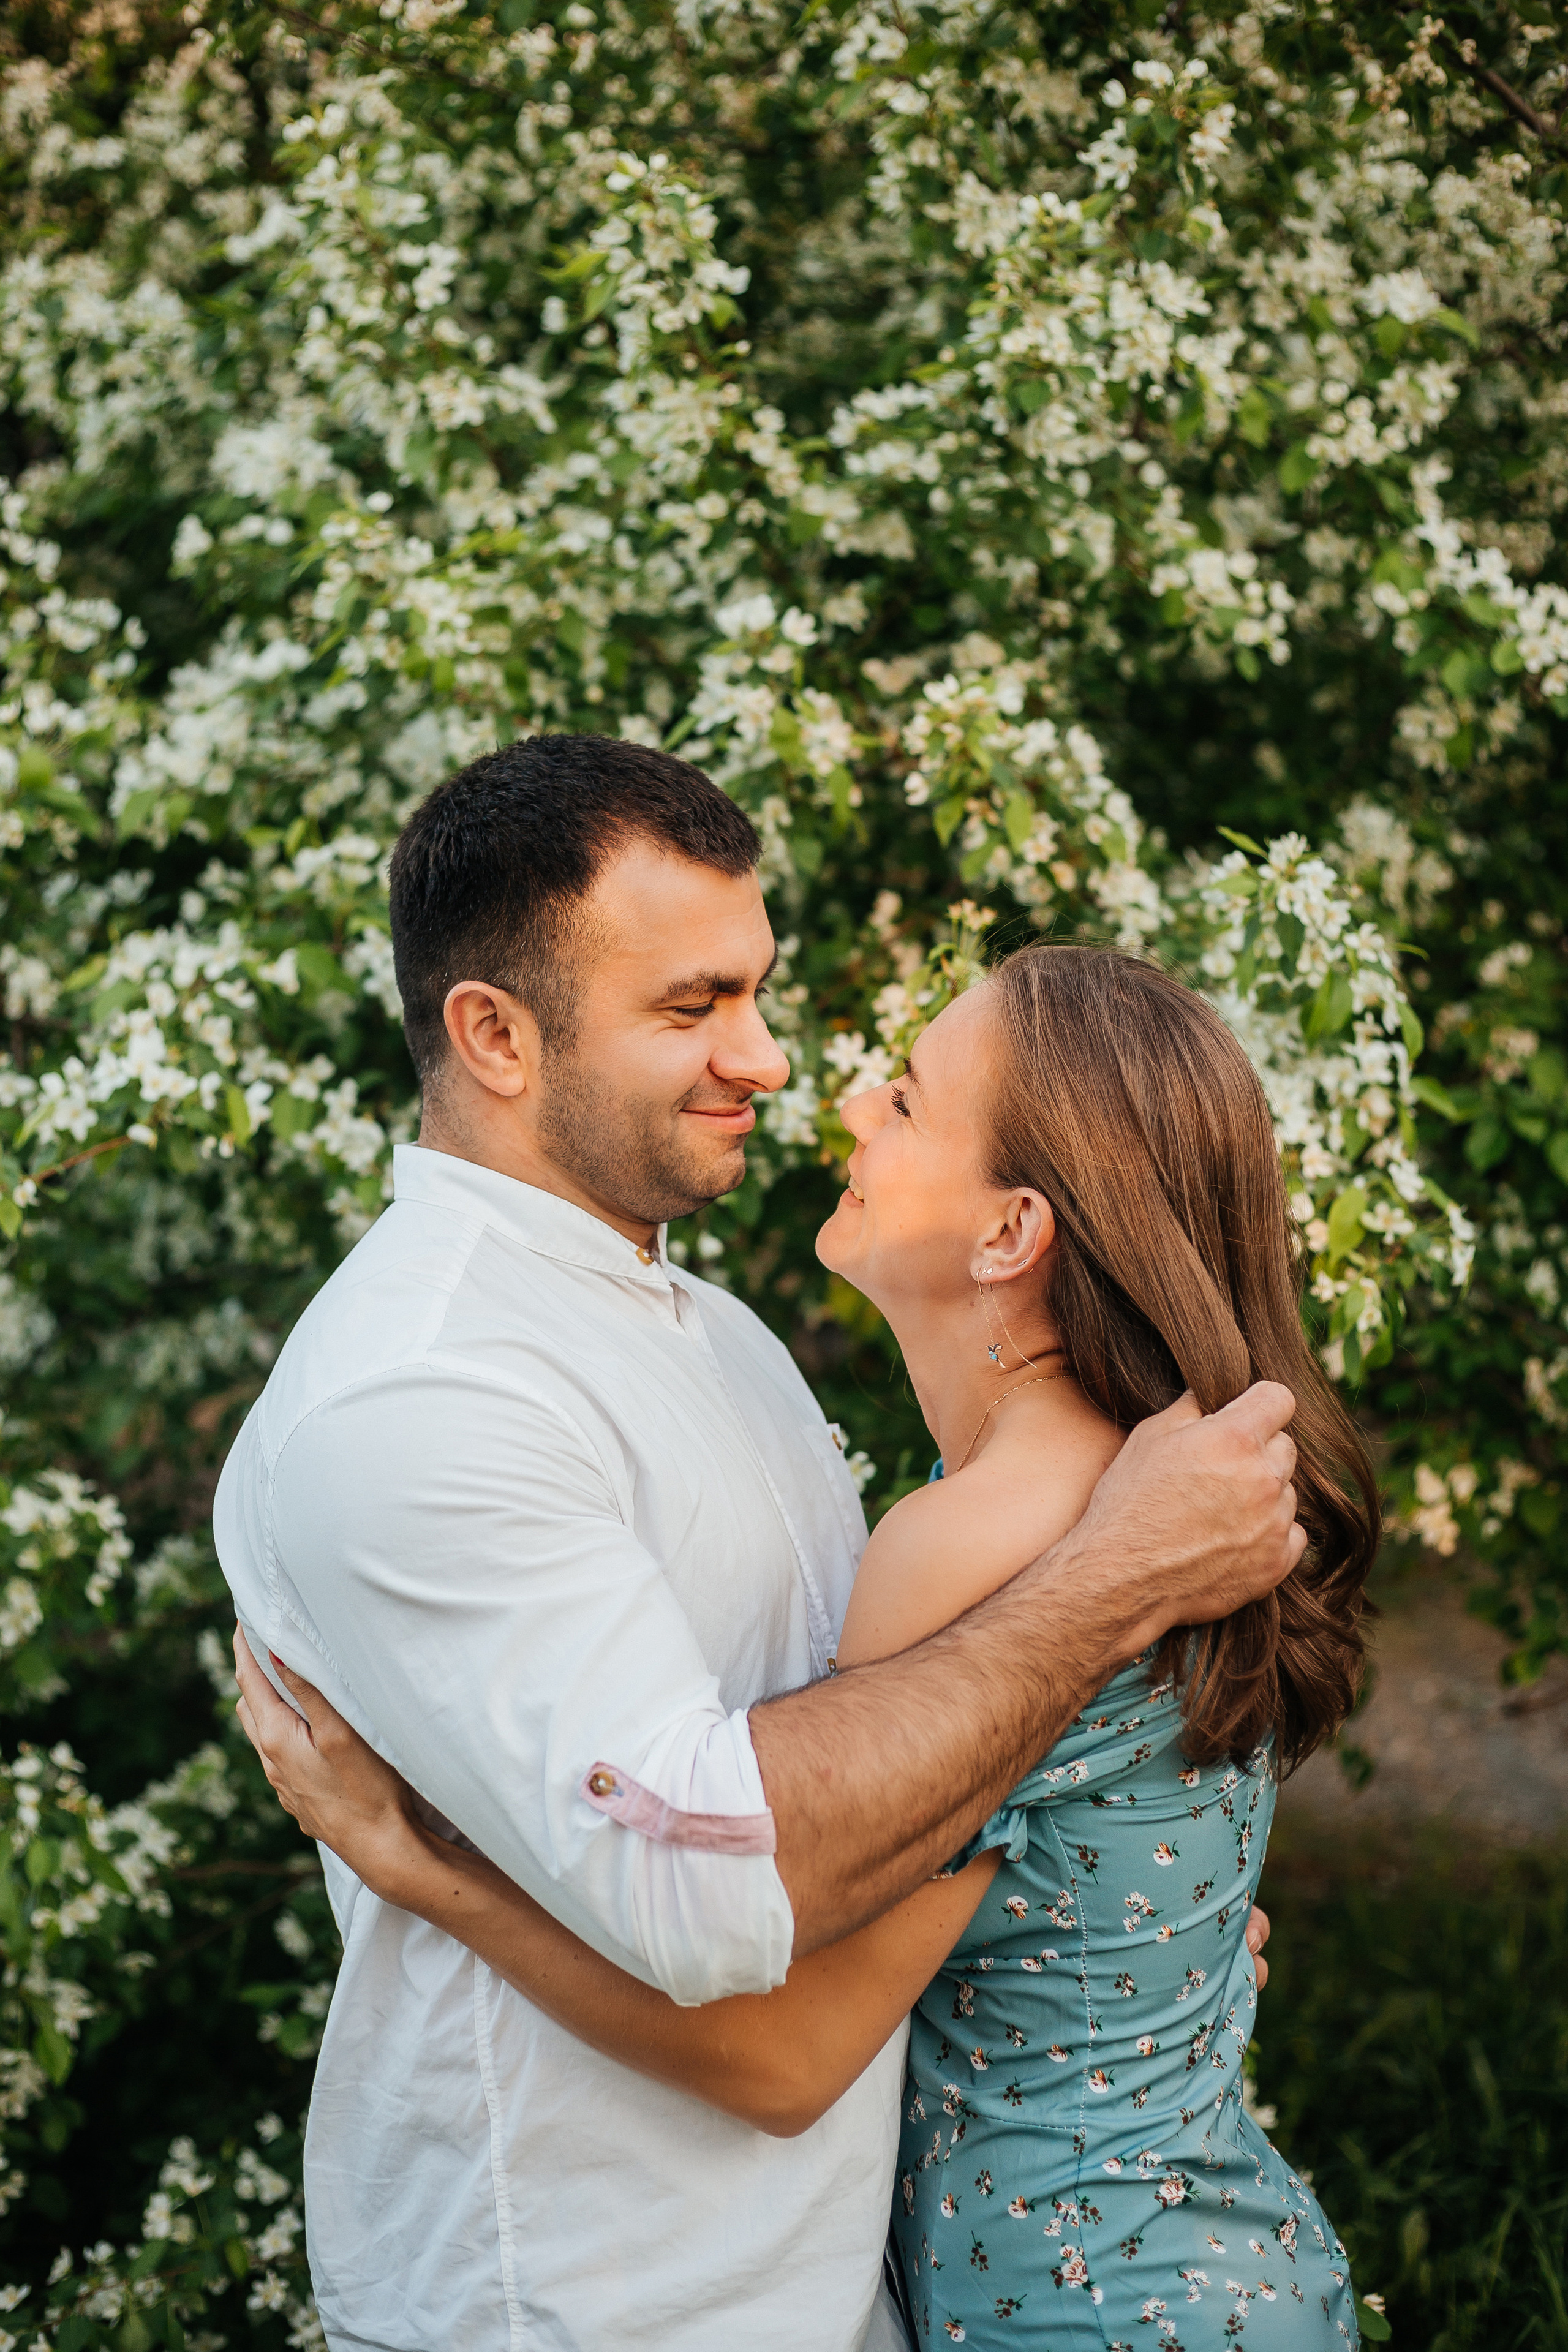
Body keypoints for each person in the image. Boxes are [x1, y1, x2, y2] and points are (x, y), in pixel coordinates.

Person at [215, 736, 1303, 2352]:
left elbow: (921, 1834)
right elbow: (713, 1892)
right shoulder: (419, 1394)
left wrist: (1118, 1959)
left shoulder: (722, 1338)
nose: (773, 1059)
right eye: (692, 1007)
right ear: (495, 1035)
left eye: (756, 990)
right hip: (590, 2308)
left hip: (855, 2292)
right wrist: (1116, 1588)